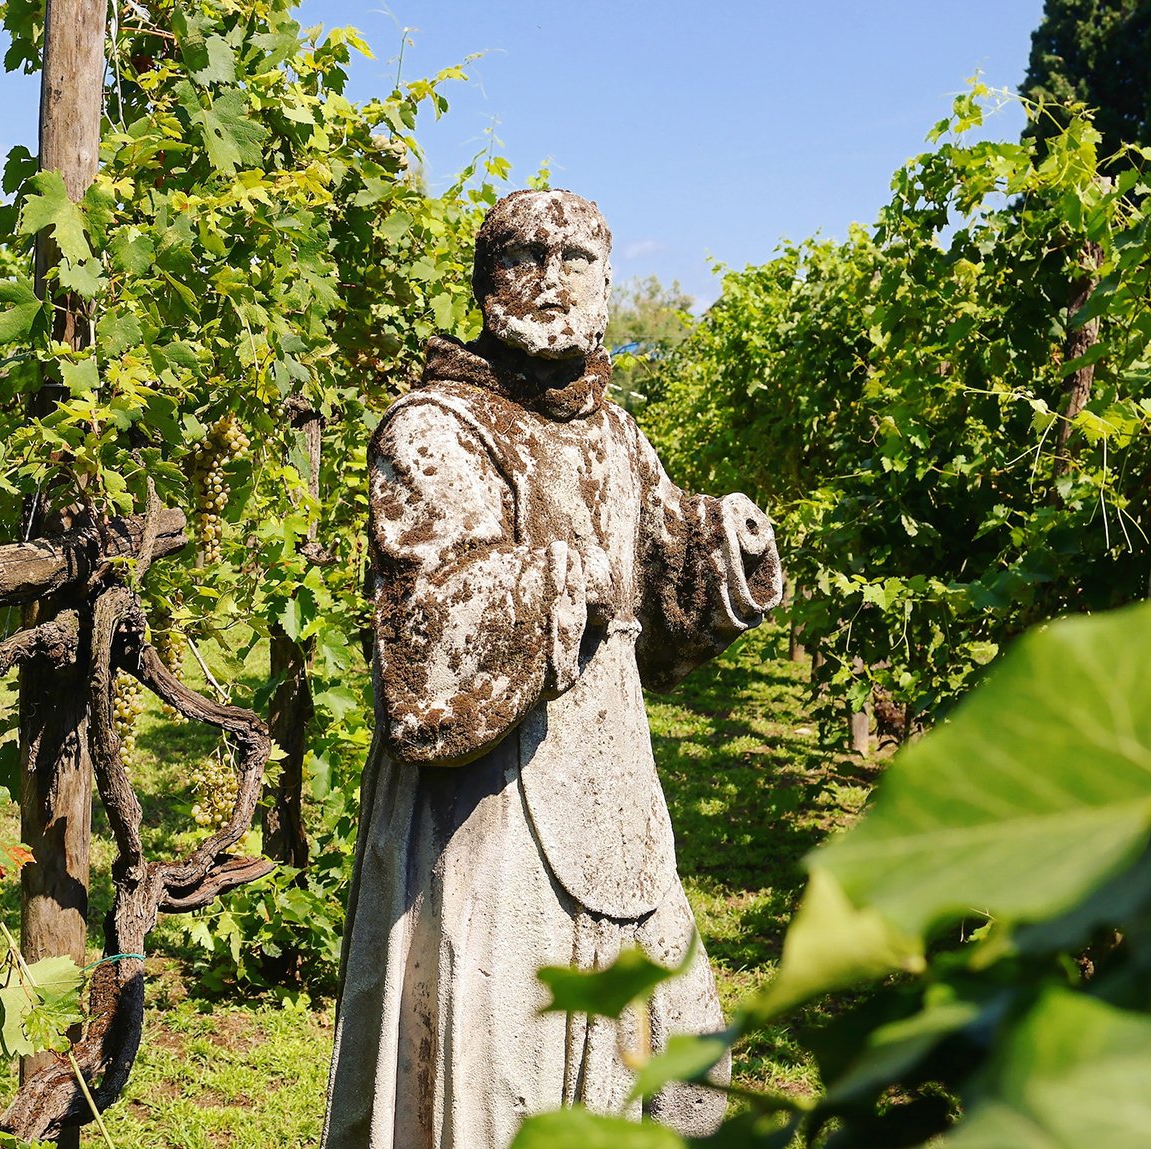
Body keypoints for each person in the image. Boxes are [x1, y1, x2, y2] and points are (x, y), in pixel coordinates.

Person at [322, 189, 783, 1149]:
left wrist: (718, 544)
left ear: (605, 282)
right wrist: (550, 583)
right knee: (500, 1047)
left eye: (574, 259)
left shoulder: (613, 433)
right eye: (524, 256)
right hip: (489, 799)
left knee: (678, 1047)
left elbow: (656, 592)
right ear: (487, 280)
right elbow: (422, 644)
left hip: (613, 779)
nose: (549, 278)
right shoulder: (436, 428)